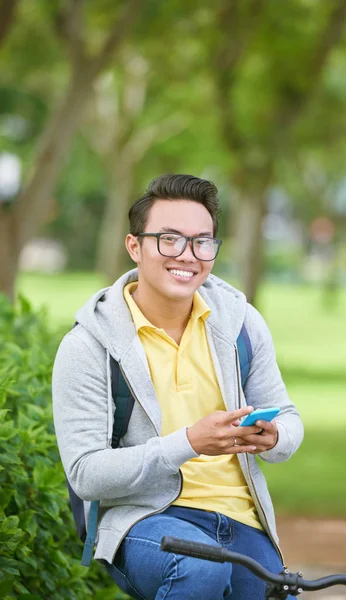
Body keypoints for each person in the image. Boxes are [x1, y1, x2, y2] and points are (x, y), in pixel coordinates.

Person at [52, 174, 304, 600]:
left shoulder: (241, 322)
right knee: (199, 570)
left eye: (202, 242)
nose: (187, 256)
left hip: (242, 520)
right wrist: (189, 442)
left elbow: (289, 418)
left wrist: (275, 435)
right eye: (169, 239)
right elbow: (86, 475)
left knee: (277, 592)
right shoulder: (88, 345)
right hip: (146, 519)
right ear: (135, 246)